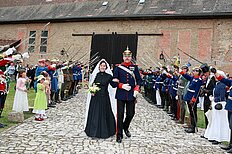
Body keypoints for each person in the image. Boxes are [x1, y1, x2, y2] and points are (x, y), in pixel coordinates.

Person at [111, 47, 142, 143]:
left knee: (131, 114)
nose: (127, 58)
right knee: (120, 115)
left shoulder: (135, 67)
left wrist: (137, 89)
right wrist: (121, 85)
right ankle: (119, 134)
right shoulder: (118, 67)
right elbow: (113, 82)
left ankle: (125, 127)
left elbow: (139, 80)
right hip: (121, 94)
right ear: (123, 57)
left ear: (131, 57)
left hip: (131, 95)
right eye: (125, 56)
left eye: (129, 56)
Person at [84, 59, 116, 139]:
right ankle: (93, 131)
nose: (102, 67)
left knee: (104, 114)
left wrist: (117, 81)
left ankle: (105, 132)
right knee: (95, 114)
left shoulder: (109, 76)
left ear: (106, 67)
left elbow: (113, 85)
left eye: (104, 66)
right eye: (101, 66)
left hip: (104, 97)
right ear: (99, 67)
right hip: (96, 97)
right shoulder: (96, 75)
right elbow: (92, 84)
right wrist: (92, 90)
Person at [180, 67, 203, 133]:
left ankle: (193, 127)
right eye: (193, 70)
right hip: (189, 96)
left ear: (198, 72)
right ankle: (191, 125)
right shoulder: (193, 78)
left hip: (192, 97)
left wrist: (193, 99)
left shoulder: (199, 80)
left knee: (193, 112)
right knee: (190, 111)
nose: (194, 72)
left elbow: (197, 90)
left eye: (196, 71)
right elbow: (186, 76)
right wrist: (182, 72)